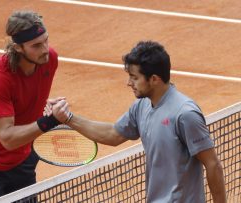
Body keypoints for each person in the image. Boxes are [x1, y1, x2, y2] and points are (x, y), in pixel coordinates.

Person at [46, 41, 227, 203]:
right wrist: (68, 118)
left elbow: (212, 164)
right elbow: (113, 134)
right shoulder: (141, 106)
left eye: (134, 77)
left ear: (154, 79)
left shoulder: (185, 114)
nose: (129, 83)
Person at [0, 10, 64, 202]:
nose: (45, 50)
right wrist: (49, 121)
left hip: (22, 160)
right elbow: (7, 139)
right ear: (18, 48)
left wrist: (43, 106)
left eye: (46, 40)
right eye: (36, 45)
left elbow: (27, 94)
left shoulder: (49, 60)